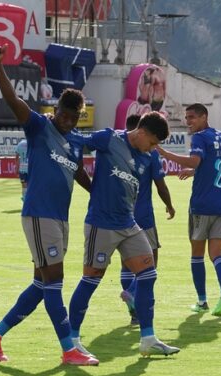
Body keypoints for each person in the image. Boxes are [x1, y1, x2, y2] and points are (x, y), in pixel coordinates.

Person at [0, 44, 98, 366]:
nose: (68, 122)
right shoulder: (39, 127)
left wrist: (96, 192)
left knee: (41, 283)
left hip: (60, 219)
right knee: (55, 281)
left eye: (74, 118)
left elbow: (78, 173)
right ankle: (69, 349)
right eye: (64, 115)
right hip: (39, 215)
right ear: (55, 109)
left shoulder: (73, 142)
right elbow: (12, 100)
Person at [69, 111, 180, 360]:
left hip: (128, 224)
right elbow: (74, 142)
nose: (153, 149)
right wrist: (89, 185)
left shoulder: (145, 157)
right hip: (101, 223)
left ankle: (148, 338)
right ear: (141, 133)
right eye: (152, 143)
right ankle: (72, 341)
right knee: (91, 280)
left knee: (148, 273)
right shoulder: (109, 139)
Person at [156, 103, 221, 316]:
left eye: (192, 117)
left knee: (197, 255)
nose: (188, 122)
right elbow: (217, 166)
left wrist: (164, 152)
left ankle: (201, 301)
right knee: (217, 255)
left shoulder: (199, 138)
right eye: (186, 118)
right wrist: (195, 172)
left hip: (202, 205)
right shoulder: (220, 136)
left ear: (204, 117)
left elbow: (195, 160)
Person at [119, 114, 176, 325]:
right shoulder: (150, 155)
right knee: (150, 264)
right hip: (144, 217)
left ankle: (133, 311)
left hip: (122, 215)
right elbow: (160, 185)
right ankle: (133, 293)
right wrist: (169, 205)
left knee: (127, 264)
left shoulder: (119, 150)